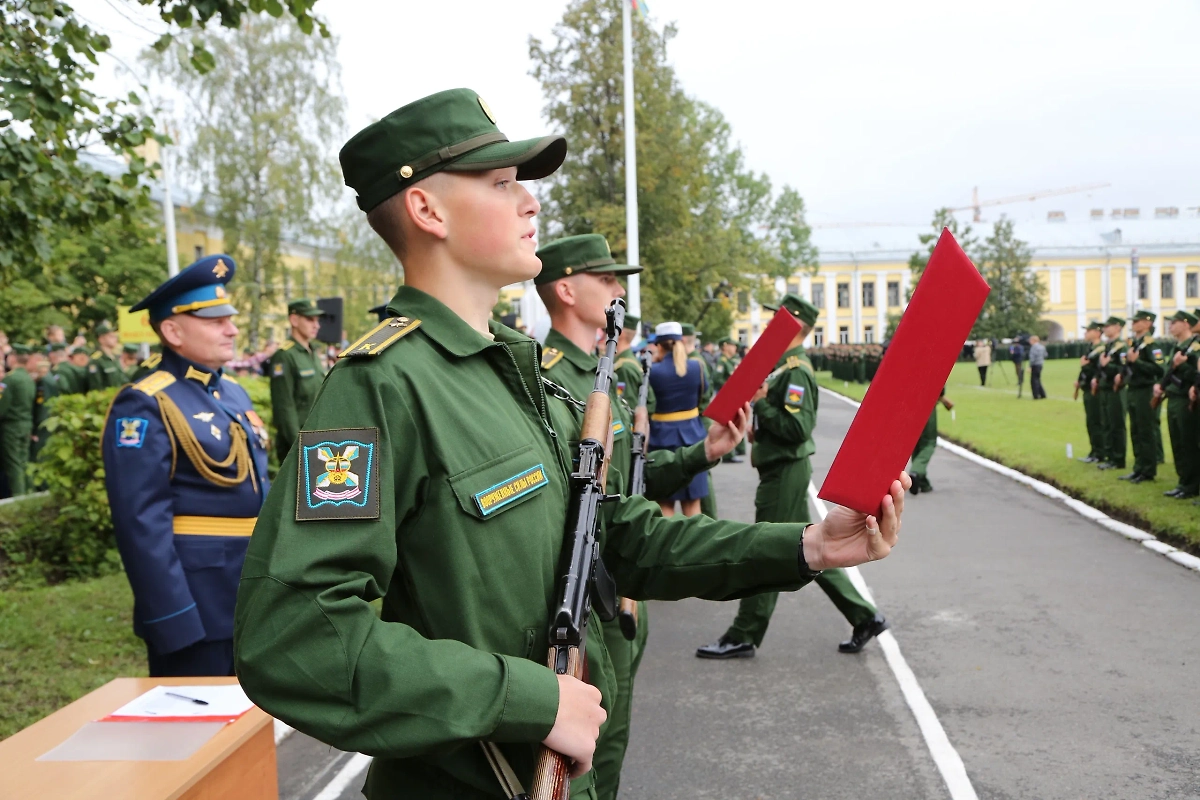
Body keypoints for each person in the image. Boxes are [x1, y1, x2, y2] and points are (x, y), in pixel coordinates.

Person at [232, 89, 908, 800]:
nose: (530, 203)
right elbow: (294, 637)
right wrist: (529, 698)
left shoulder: (520, 373)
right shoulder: (382, 386)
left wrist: (807, 546)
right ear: (427, 211)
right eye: (501, 184)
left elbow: (615, 538)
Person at [534, 232, 746, 800]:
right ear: (565, 288)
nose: (617, 288)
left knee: (614, 747)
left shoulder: (604, 375)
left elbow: (628, 489)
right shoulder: (543, 382)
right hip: (581, 607)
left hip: (622, 599)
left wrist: (705, 453)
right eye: (604, 278)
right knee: (579, 770)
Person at [102, 255, 270, 676]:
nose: (231, 329)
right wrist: (172, 618)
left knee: (256, 731)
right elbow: (141, 524)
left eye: (228, 318)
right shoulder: (145, 402)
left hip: (253, 597)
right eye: (214, 321)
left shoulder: (233, 394)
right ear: (173, 330)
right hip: (198, 606)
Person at [696, 294, 889, 660]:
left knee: (765, 550)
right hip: (780, 467)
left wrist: (765, 405)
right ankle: (864, 615)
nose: (772, 324)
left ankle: (745, 632)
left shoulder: (795, 370)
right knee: (811, 546)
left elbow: (798, 427)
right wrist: (760, 428)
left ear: (796, 325)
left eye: (779, 318)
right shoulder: (782, 366)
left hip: (785, 471)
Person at [647, 322, 710, 517]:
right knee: (693, 506)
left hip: (661, 439)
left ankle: (666, 547)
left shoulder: (653, 372)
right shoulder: (696, 367)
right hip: (692, 437)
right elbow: (704, 394)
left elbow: (648, 404)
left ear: (659, 345)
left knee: (665, 505)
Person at [268, 298, 326, 462]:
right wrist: (299, 446)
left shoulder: (313, 353)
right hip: (297, 445)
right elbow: (284, 406)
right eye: (310, 320)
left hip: (318, 440)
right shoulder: (284, 356)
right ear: (294, 320)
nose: (316, 325)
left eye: (317, 320)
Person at [1158, 311, 1200, 498]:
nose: (1170, 325)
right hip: (1173, 398)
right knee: (1177, 443)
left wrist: (1181, 365)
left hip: (1185, 399)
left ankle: (1191, 485)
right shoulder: (1178, 346)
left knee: (1188, 443)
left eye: (1174, 322)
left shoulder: (1195, 347)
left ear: (1185, 324)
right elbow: (1168, 372)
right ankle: (1183, 482)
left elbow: (1194, 376)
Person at [1120, 311, 1163, 483]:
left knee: (1146, 431)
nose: (1134, 324)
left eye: (1138, 321)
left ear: (1147, 323)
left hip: (1145, 391)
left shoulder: (1151, 345)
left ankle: (1148, 470)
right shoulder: (1136, 343)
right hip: (1133, 389)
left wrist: (1137, 361)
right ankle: (1138, 467)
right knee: (1136, 430)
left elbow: (1160, 369)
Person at [0, 344, 37, 496]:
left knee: (14, 464)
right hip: (25, 423)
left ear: (13, 358)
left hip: (12, 426)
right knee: (24, 462)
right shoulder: (28, 379)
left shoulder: (10, 379)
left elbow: (2, 406)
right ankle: (30, 493)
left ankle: (19, 497)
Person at [1094, 317, 1128, 471]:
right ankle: (1110, 456)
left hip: (1115, 389)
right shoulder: (1108, 346)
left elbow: (1123, 369)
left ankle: (1118, 458)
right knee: (1107, 423)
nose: (1105, 329)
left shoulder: (1122, 347)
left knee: (1116, 425)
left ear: (1118, 328)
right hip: (1105, 387)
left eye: (1108, 326)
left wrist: (1109, 366)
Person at [910, 387, 954, 494]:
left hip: (909, 404)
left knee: (916, 442)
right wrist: (941, 395)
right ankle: (916, 471)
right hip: (927, 404)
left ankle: (923, 483)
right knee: (928, 442)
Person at [1075, 321, 1105, 463]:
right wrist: (1080, 380)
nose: (1086, 333)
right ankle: (1094, 450)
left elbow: (1097, 370)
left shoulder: (1100, 349)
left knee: (1097, 421)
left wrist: (1085, 368)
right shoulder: (1090, 348)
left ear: (1097, 332)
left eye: (1089, 330)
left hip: (1095, 390)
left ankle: (1100, 452)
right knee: (1091, 422)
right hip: (1087, 387)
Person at [716, 338, 746, 463]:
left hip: (736, 395)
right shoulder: (722, 362)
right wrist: (730, 388)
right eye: (732, 345)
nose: (735, 348)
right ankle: (728, 454)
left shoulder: (733, 360)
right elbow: (717, 379)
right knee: (729, 424)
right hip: (727, 395)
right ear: (725, 346)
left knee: (739, 420)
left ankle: (739, 447)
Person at [31, 346, 61, 462]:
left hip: (43, 424)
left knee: (39, 457)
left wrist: (36, 428)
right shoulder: (50, 377)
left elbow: (42, 405)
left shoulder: (44, 380)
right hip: (49, 421)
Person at [87, 321, 125, 392]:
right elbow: (96, 387)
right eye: (111, 336)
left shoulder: (115, 358)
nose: (115, 339)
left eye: (115, 336)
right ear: (101, 339)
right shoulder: (96, 360)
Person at [1028, 335, 1047, 399]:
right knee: (1038, 379)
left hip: (1035, 365)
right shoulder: (1042, 347)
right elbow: (1045, 355)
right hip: (1040, 364)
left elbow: (1032, 357)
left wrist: (1030, 366)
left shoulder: (1034, 347)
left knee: (1034, 380)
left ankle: (1036, 395)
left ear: (1033, 340)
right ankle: (1042, 394)